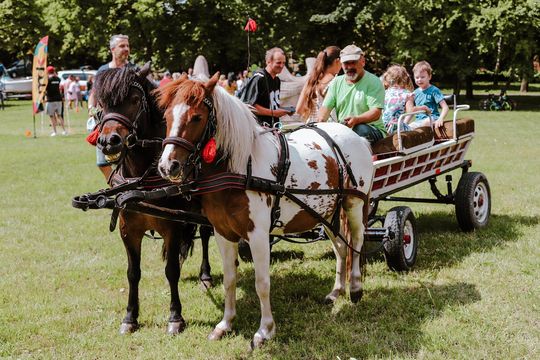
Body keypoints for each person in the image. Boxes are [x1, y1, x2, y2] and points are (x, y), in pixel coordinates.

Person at [317, 44, 386, 145]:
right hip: (344, 131)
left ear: (363, 62)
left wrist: (357, 120)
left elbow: (375, 113)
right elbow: (325, 109)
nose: (349, 67)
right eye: (346, 63)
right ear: (341, 64)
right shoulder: (336, 82)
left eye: (353, 63)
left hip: (371, 129)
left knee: (359, 129)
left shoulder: (373, 81)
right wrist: (319, 123)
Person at [89, 34, 134, 180]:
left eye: (127, 46)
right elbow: (94, 94)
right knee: (102, 162)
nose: (126, 49)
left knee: (129, 160)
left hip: (129, 123)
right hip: (107, 122)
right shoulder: (103, 70)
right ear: (112, 49)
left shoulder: (133, 70)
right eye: (122, 46)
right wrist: (91, 108)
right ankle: (116, 185)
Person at [239, 47, 291, 127]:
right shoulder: (259, 78)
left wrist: (285, 110)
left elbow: (270, 104)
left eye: (284, 63)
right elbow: (250, 106)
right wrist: (274, 113)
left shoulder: (277, 80)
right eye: (278, 63)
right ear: (268, 62)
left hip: (274, 127)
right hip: (259, 128)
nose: (282, 65)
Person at [296, 45, 341, 123]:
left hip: (311, 128)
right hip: (330, 129)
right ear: (337, 61)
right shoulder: (335, 81)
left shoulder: (311, 80)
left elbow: (299, 109)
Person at [410, 61, 449, 129]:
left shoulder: (434, 90)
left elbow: (445, 107)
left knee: (426, 122)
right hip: (418, 121)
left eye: (422, 77)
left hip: (432, 118)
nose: (419, 80)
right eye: (417, 77)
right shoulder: (415, 93)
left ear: (429, 77)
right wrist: (404, 123)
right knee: (407, 128)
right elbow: (412, 111)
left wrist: (440, 118)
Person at [381, 64, 418, 134]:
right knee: (420, 128)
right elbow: (411, 111)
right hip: (397, 129)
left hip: (383, 128)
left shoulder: (384, 93)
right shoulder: (407, 94)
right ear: (405, 79)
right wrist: (424, 108)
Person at [44, 66, 67, 136]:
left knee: (52, 116)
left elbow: (45, 89)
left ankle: (55, 132)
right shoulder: (58, 79)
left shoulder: (47, 79)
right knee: (59, 115)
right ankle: (64, 131)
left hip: (50, 100)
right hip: (58, 99)